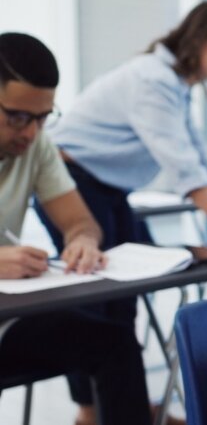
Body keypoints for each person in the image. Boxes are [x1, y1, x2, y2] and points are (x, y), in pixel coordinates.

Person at [35, 1, 207, 423]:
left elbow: (197, 157)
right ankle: (91, 412)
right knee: (97, 300)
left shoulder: (176, 83)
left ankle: (125, 408)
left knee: (123, 301)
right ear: (199, 39)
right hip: (71, 180)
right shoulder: (153, 80)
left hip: (107, 187)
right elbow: (180, 162)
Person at [0, 32, 151, 425]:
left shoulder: (36, 146)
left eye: (43, 117)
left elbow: (80, 221)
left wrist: (82, 240)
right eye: (17, 117)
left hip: (7, 323)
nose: (31, 132)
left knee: (114, 342)